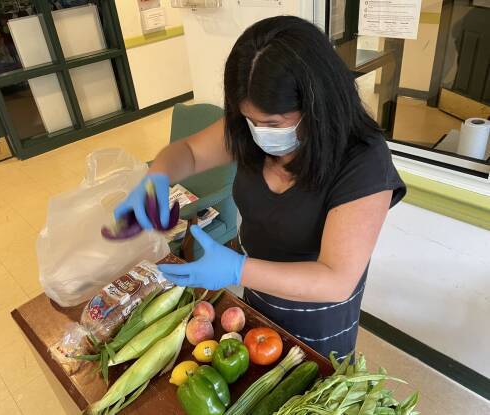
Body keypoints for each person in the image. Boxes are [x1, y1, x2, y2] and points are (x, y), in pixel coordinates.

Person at [115, 16, 406, 361]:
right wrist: (157, 178)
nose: (259, 132)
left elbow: (336, 279)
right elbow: (189, 152)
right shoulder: (250, 133)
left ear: (317, 107)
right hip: (258, 298)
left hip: (318, 313)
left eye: (273, 124)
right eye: (250, 119)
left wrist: (237, 270)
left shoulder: (363, 160)